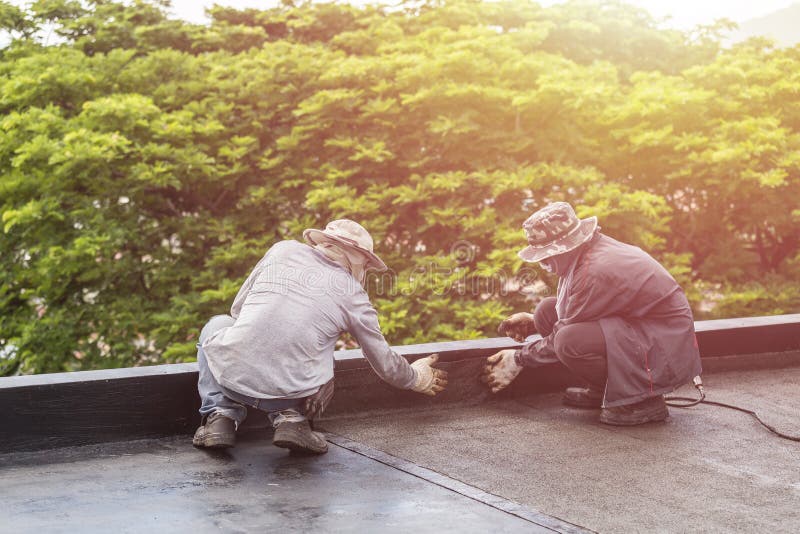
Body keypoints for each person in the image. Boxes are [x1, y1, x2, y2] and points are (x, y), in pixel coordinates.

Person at [193, 219, 448, 454]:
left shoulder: (282, 250)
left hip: (230, 379)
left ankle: (220, 417)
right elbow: (382, 361)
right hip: (292, 393)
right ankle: (292, 420)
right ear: (360, 260)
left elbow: (238, 310)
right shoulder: (354, 295)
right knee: (321, 346)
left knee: (217, 324)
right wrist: (416, 377)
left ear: (322, 242)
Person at [483, 202, 702, 425]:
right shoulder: (584, 254)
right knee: (545, 313)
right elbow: (577, 310)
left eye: (546, 255)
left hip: (665, 345)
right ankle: (606, 391)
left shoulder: (595, 270)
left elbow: (566, 331)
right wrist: (533, 323)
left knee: (569, 340)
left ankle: (642, 402)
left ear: (566, 246)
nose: (542, 263)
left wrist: (518, 359)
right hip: (639, 329)